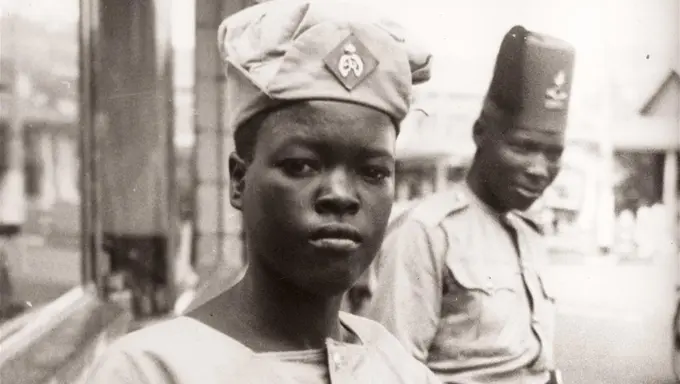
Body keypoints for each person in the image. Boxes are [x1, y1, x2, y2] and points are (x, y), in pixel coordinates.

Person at [85, 0, 438, 383]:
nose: (340, 195)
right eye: (301, 165)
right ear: (239, 180)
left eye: (372, 172)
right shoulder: (149, 371)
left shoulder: (398, 369)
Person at [362, 25, 575, 384]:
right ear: (481, 133)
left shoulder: (528, 231)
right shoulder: (428, 230)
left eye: (553, 153)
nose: (539, 169)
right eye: (522, 147)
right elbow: (392, 372)